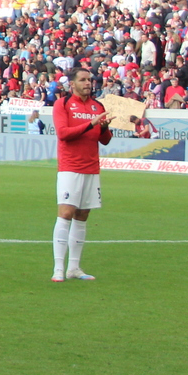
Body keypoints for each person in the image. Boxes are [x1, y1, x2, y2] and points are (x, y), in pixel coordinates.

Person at [52, 67, 112, 283]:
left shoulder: (98, 106)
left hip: (91, 167)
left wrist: (103, 128)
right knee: (66, 213)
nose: (88, 83)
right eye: (83, 80)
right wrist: (91, 124)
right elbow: (63, 133)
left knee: (83, 215)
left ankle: (74, 268)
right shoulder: (63, 104)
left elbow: (105, 140)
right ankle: (58, 268)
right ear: (72, 84)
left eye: (90, 80)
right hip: (70, 167)